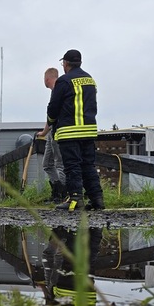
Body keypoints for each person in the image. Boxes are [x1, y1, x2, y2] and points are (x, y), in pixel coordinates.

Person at [46, 49, 104, 211]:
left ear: (65, 64)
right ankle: (97, 199)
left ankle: (76, 199)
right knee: (88, 166)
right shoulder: (90, 80)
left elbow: (53, 108)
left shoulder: (64, 81)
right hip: (89, 131)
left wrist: (51, 122)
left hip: (69, 132)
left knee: (72, 166)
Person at [36, 67, 66, 204]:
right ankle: (56, 190)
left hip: (58, 131)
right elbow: (50, 115)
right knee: (47, 164)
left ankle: (63, 193)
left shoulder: (59, 90)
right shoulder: (54, 92)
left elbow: (54, 114)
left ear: (47, 78)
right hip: (51, 131)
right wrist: (44, 132)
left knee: (59, 163)